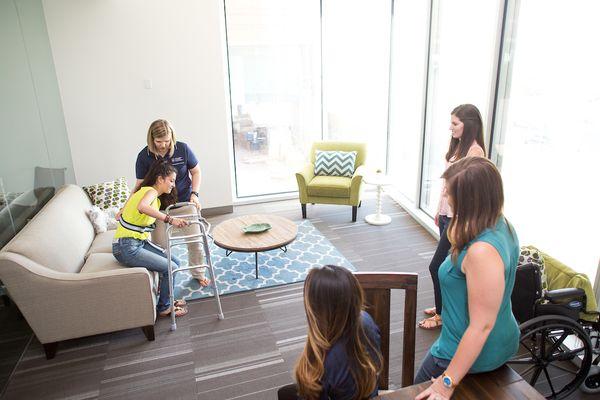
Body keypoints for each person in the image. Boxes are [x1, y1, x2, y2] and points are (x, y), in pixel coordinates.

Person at [414, 157, 520, 400]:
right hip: (499, 339)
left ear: (470, 201)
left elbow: (481, 325)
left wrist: (447, 382)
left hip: (467, 350)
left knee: (417, 391)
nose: (445, 197)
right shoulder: (500, 223)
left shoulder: (482, 252)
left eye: (449, 192)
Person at [120, 119, 210, 287]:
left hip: (184, 203)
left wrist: (195, 194)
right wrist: (124, 208)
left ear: (172, 137)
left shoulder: (182, 149)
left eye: (167, 141)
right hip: (159, 209)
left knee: (195, 242)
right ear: (151, 139)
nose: (163, 145)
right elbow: (139, 186)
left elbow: (196, 172)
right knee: (161, 247)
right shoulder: (143, 156)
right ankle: (164, 281)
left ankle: (198, 273)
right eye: (159, 141)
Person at [420, 104, 486, 330]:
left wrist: (455, 219)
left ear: (469, 125)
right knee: (448, 267)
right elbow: (446, 186)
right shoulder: (458, 148)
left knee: (438, 266)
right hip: (447, 215)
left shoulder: (475, 153)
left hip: (458, 220)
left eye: (455, 123)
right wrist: (440, 211)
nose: (451, 127)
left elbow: (470, 194)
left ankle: (441, 316)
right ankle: (444, 309)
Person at [278, 265, 382, 400]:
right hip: (368, 392)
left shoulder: (321, 365)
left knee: (285, 394)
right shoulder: (366, 320)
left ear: (317, 311)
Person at [112, 161, 190, 317]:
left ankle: (167, 298)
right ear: (160, 179)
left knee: (176, 262)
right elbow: (142, 207)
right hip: (126, 247)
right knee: (171, 267)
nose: (173, 185)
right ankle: (164, 307)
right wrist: (170, 219)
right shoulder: (151, 192)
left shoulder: (152, 196)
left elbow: (135, 206)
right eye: (171, 180)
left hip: (137, 243)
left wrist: (123, 210)